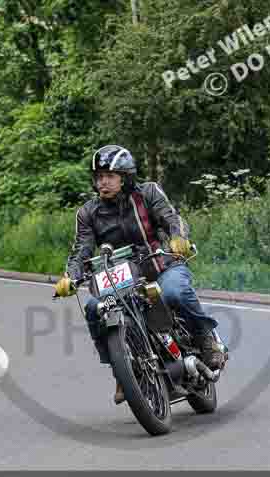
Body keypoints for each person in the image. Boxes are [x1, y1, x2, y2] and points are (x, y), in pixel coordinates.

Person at [53, 145, 227, 404]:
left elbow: (172, 218)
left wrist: (178, 238)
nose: (103, 182)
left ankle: (204, 339)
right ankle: (122, 372)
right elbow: (81, 249)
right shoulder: (88, 213)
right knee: (93, 309)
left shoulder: (148, 193)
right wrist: (70, 276)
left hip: (161, 266)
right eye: (99, 176)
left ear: (125, 177)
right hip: (122, 281)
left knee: (174, 292)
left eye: (109, 176)